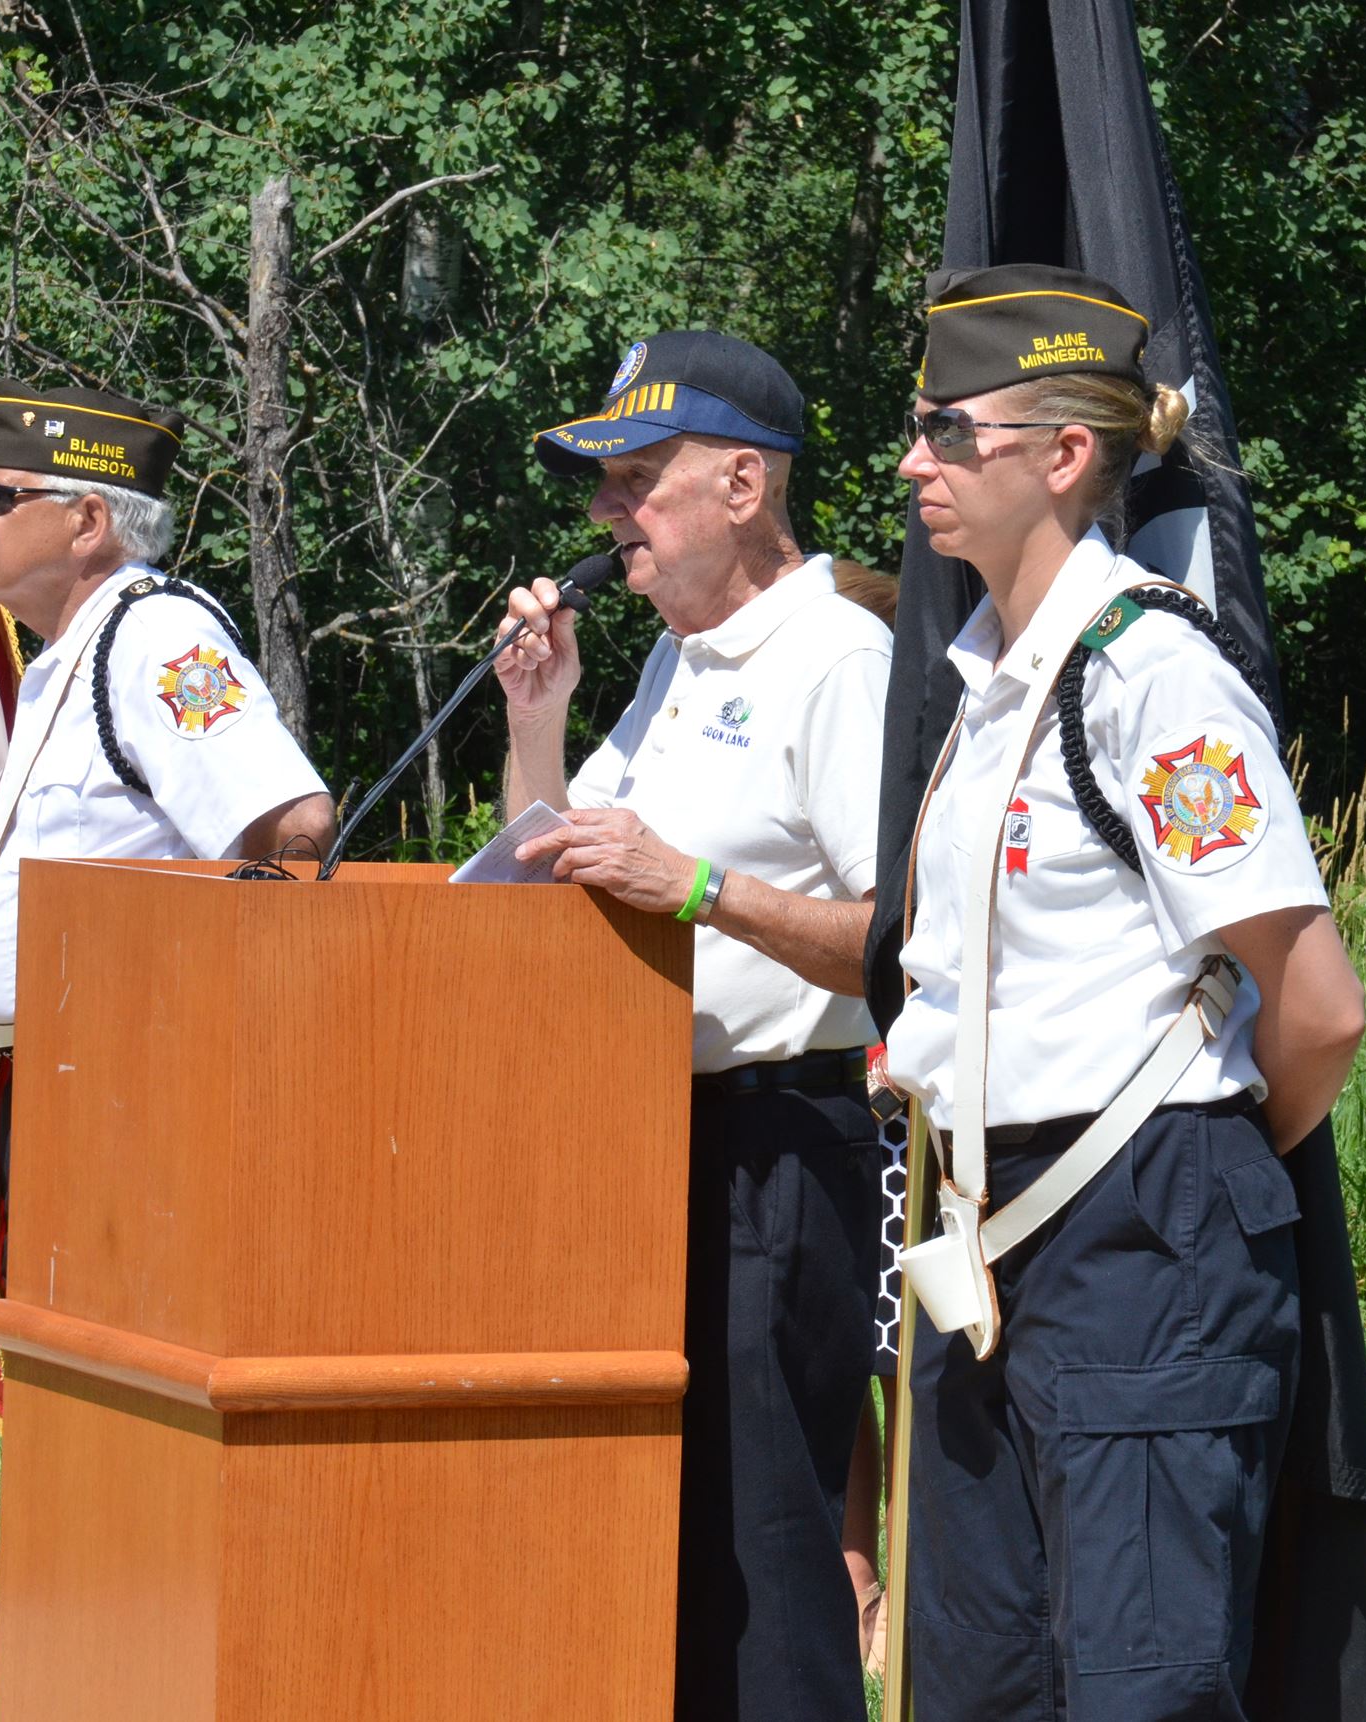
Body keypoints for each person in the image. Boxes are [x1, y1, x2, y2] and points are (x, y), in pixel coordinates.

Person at [880, 264, 1366, 1721]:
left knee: (1139, 1691)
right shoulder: (985, 677)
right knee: (983, 1683)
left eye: (949, 433)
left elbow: (1320, 1007)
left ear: (1064, 456)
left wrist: (1192, 1178)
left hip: (1143, 1234)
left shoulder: (1149, 671)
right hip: (997, 1238)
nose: (915, 462)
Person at [496, 332, 890, 1722]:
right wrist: (535, 723)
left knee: (766, 1552)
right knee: (673, 1543)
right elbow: (557, 858)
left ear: (743, 482)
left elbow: (899, 937)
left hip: (781, 1153)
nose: (608, 513)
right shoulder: (683, 655)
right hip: (652, 1141)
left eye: (637, 480)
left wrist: (704, 890)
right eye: (601, 486)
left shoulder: (837, 654)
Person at [0, 382, 336, 1068]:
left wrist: (217, 1006)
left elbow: (296, 826)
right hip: (71, 1071)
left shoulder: (155, 635)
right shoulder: (88, 643)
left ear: (87, 522)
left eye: (1, 498)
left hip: (128, 1066)